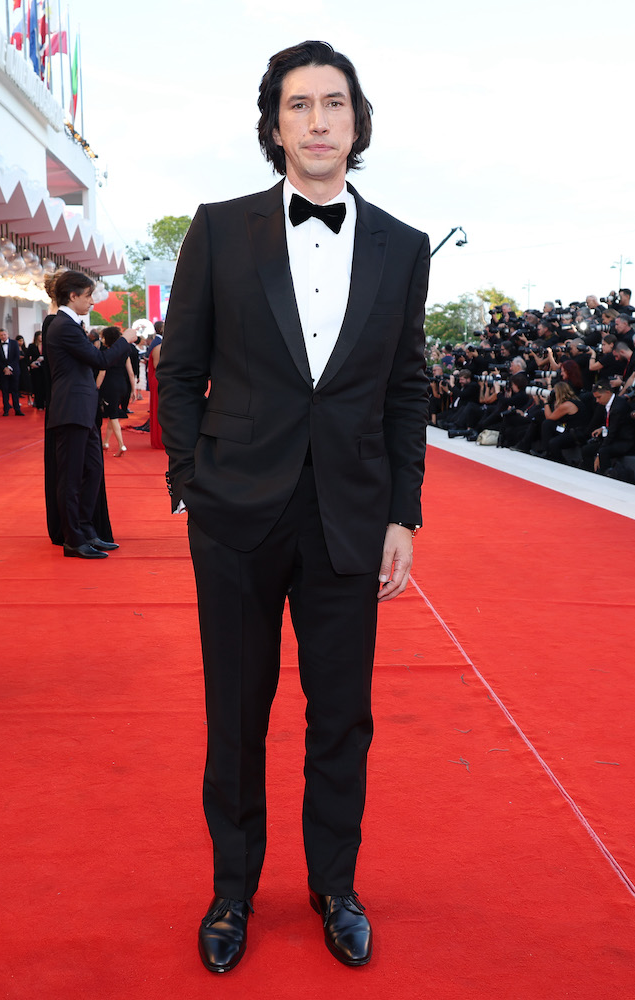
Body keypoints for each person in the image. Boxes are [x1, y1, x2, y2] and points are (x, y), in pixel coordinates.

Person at [157, 40, 429, 974]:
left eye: (335, 104)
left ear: (358, 122)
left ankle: (334, 886)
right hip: (234, 510)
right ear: (274, 125)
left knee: (340, 715)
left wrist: (404, 513)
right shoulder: (221, 229)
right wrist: (190, 480)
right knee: (236, 711)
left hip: (349, 517)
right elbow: (180, 367)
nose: (318, 121)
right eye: (300, 105)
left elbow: (405, 390)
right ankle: (232, 891)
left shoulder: (402, 244)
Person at [43, 271, 137, 555]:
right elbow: (101, 360)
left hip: (81, 408)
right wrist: (125, 340)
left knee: (92, 469)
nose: (92, 301)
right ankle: (74, 538)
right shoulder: (63, 326)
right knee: (71, 477)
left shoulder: (69, 325)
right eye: (88, 296)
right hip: (71, 408)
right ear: (72, 296)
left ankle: (85, 529)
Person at [96, 326, 134, 456]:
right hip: (122, 386)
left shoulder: (107, 354)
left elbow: (102, 373)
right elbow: (130, 371)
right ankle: (105, 442)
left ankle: (121, 445)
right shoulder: (124, 351)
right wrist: (133, 389)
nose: (101, 340)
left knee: (113, 416)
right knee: (113, 413)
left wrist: (95, 388)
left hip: (110, 387)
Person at [0, 328, 24, 415]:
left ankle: (17, 409)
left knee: (15, 390)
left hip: (14, 370)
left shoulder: (14, 343)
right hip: (2, 371)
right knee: (5, 391)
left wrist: (9, 367)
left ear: (8, 334)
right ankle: (6, 409)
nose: (3, 336)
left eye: (4, 334)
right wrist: (4, 368)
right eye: (1, 335)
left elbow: (16, 357)